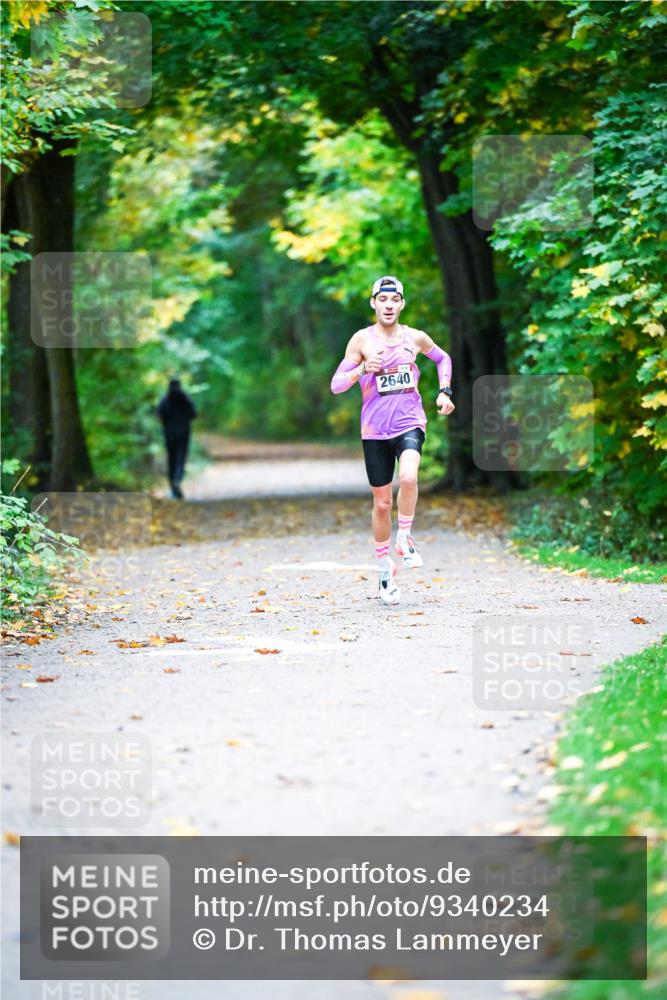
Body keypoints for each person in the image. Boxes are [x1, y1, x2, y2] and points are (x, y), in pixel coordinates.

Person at [330, 276, 454, 605]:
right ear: (373, 303)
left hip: (409, 422)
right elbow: (336, 385)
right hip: (373, 430)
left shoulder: (415, 337)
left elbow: (443, 359)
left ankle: (406, 536)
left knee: (410, 477)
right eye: (382, 299)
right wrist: (361, 371)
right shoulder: (361, 341)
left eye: (394, 299)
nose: (388, 305)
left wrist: (444, 391)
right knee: (383, 504)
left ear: (401, 304)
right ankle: (385, 571)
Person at [156, 378, 197, 499]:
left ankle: (173, 486)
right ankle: (177, 479)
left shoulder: (165, 400)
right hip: (184, 433)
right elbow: (194, 415)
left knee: (171, 459)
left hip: (169, 434)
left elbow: (159, 416)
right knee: (181, 458)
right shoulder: (186, 399)